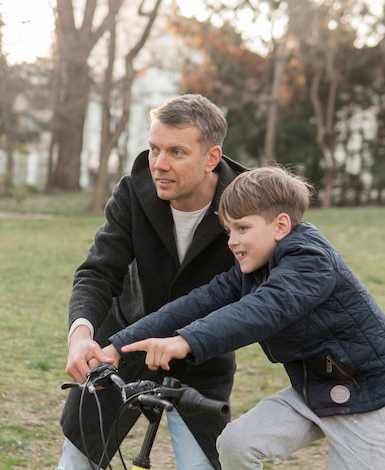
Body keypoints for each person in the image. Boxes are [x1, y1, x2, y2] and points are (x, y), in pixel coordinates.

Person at [105, 166, 385, 469]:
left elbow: (262, 310)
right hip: (316, 390)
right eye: (229, 231)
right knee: (236, 443)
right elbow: (196, 302)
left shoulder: (311, 260)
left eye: (243, 228)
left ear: (281, 226)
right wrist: (118, 345)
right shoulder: (253, 271)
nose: (232, 240)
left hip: (369, 400)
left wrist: (186, 340)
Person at [57, 94, 248, 469]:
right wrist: (81, 335)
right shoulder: (133, 190)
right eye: (154, 149)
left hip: (201, 358)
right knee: (76, 463)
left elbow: (280, 298)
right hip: (119, 350)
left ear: (212, 158)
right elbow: (98, 271)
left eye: (176, 152)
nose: (159, 164)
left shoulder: (247, 203)